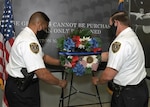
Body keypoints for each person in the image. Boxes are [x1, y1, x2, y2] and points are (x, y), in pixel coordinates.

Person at [5, 11, 67, 107]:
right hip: (22, 90)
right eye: (45, 28)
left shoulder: (27, 36)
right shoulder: (29, 41)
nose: (45, 32)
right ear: (39, 24)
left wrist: (62, 62)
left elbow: (44, 58)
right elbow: (42, 73)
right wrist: (59, 82)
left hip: (24, 86)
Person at [92, 11, 149, 107]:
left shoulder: (120, 42)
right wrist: (88, 58)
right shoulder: (131, 36)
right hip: (139, 91)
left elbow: (108, 75)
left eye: (111, 25)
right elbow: (114, 56)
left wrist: (98, 81)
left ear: (116, 23)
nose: (110, 29)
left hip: (127, 96)